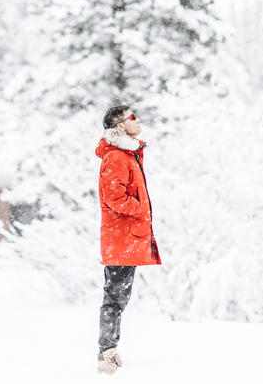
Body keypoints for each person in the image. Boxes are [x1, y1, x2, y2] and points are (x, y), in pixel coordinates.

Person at [94, 104, 161, 374]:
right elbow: (114, 198)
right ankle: (106, 354)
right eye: (131, 117)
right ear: (119, 125)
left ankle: (108, 351)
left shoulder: (127, 154)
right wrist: (140, 208)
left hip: (125, 239)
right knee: (115, 298)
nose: (137, 120)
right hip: (121, 239)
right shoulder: (117, 158)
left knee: (119, 297)